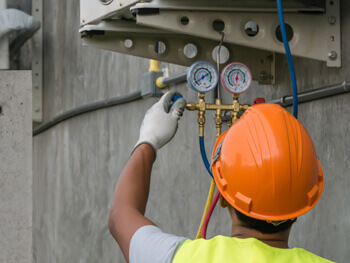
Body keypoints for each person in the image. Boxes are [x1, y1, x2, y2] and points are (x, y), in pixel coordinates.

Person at [108, 91, 334, 263]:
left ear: (224, 197)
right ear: (308, 200)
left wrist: (148, 141)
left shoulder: (184, 258)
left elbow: (121, 216)